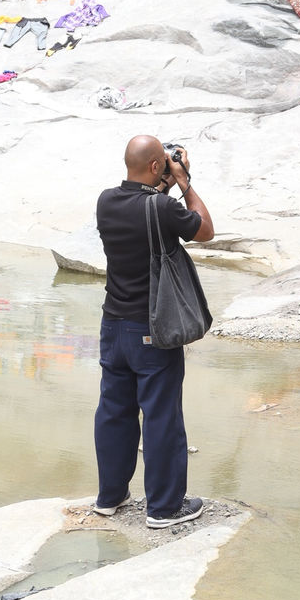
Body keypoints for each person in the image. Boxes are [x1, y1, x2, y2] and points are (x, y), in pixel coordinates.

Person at [93, 134, 214, 528]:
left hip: (113, 327)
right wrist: (185, 183)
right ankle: (164, 508)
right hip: (153, 330)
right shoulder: (162, 207)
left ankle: (110, 497)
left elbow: (143, 204)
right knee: (161, 416)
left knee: (114, 411)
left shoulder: (106, 201)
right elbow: (205, 229)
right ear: (157, 166)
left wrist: (162, 178)